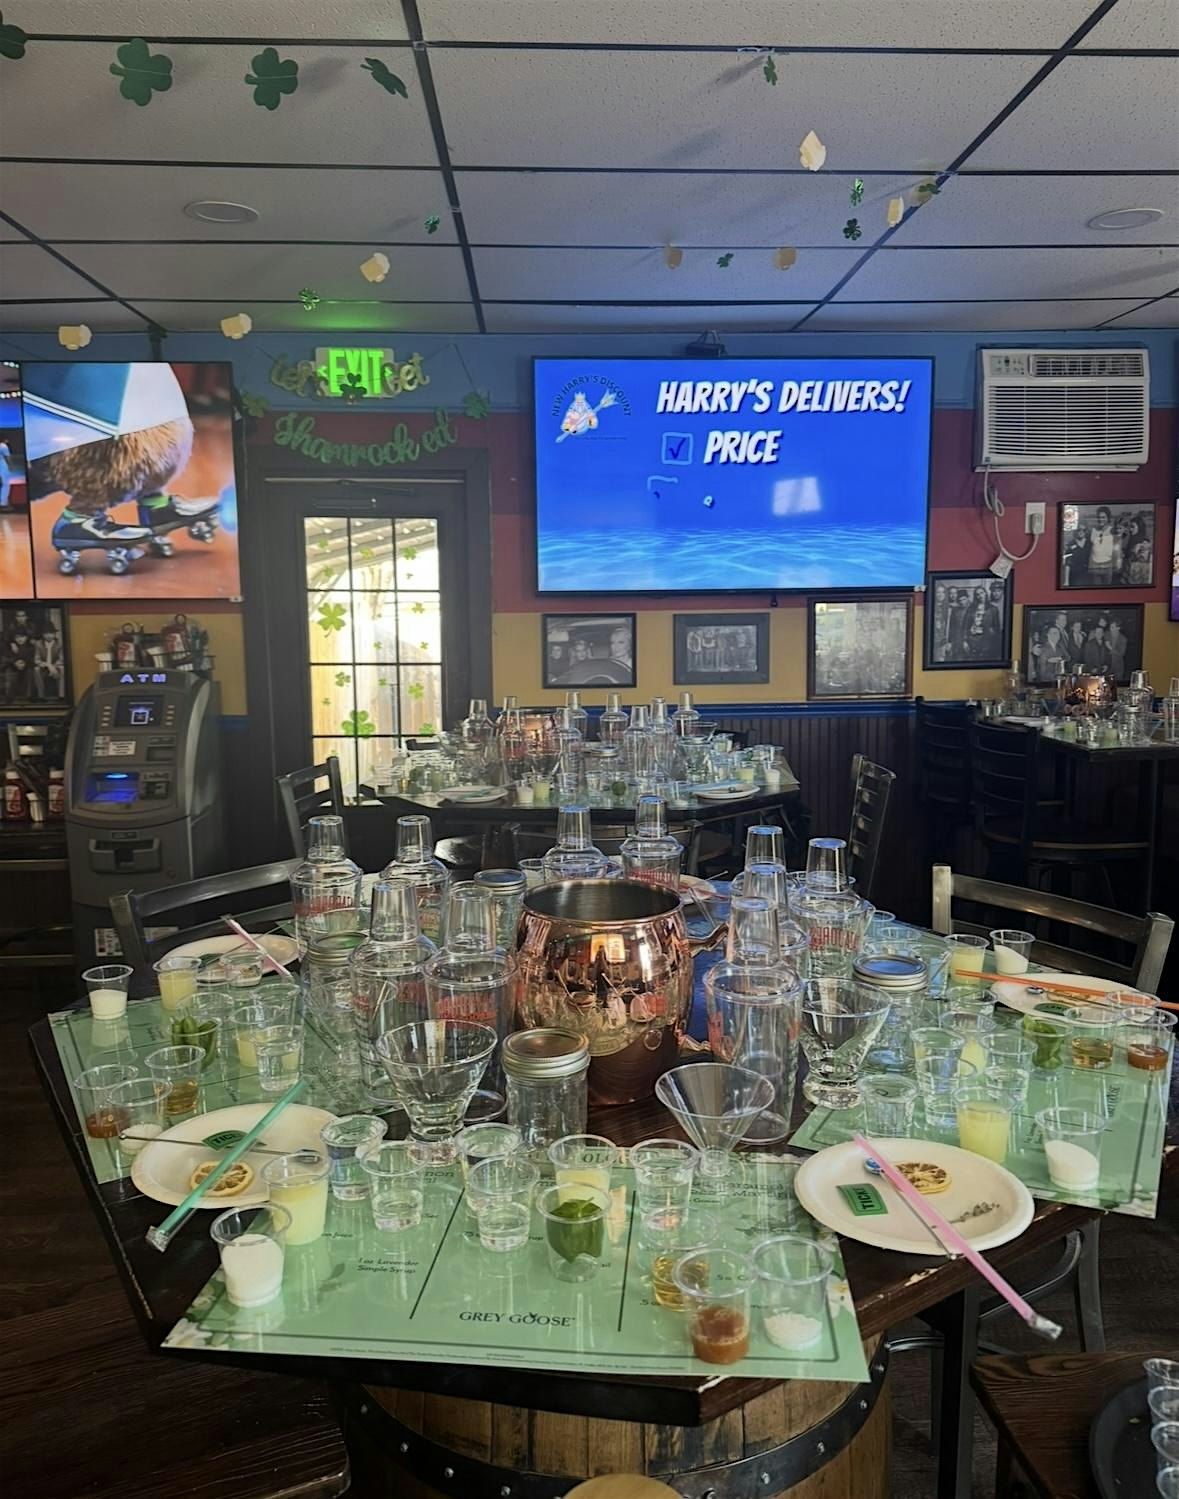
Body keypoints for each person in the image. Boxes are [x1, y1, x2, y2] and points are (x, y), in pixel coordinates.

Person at [1085, 507, 1121, 587]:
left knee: (1107, 591)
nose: (1101, 519)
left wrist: (1117, 565)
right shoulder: (1093, 530)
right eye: (1099, 517)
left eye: (1103, 517)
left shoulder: (1113, 531)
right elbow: (1089, 548)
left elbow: (1117, 550)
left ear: (1108, 518)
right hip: (1094, 567)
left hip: (1108, 567)